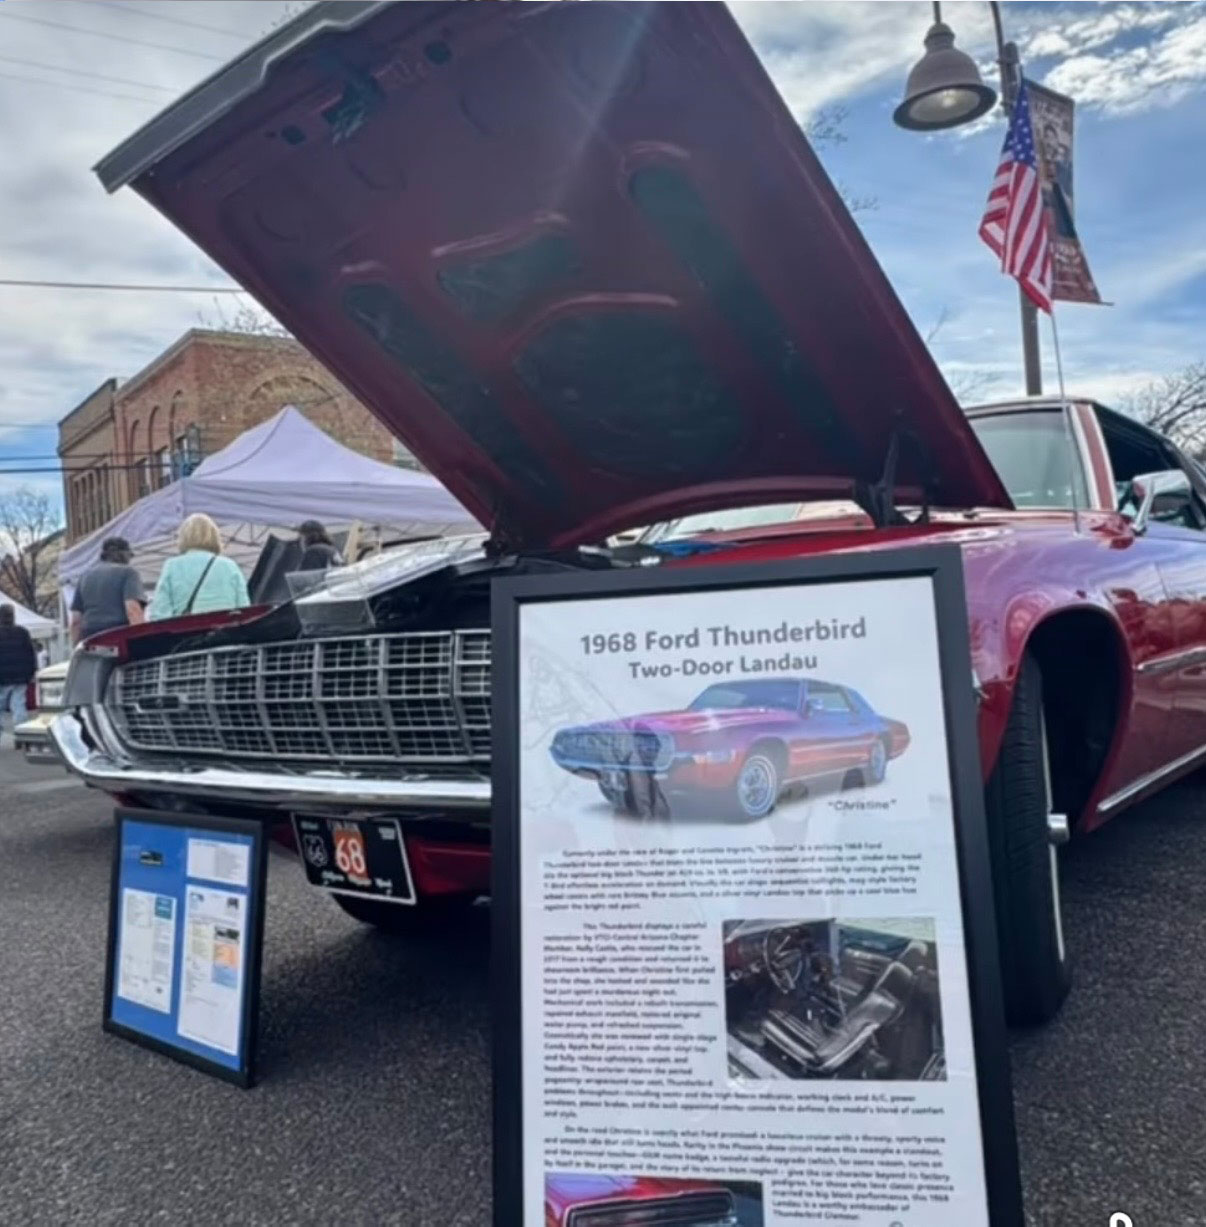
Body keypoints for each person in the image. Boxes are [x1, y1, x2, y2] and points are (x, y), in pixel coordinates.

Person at [148, 514, 250, 621]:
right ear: (215, 536)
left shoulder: (172, 566)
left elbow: (159, 614)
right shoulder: (230, 566)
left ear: (182, 538)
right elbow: (244, 610)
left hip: (187, 633)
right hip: (226, 632)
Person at [70, 536, 146, 645]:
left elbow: (75, 621)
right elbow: (133, 610)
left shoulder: (84, 577)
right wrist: (143, 641)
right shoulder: (128, 573)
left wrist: (76, 647)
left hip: (90, 638)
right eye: (129, 555)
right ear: (121, 554)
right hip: (119, 636)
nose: (130, 559)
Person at [0, 604, 37, 745]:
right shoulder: (23, 632)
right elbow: (30, 654)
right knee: (18, 705)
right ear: (13, 616)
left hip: (1, 676)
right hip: (20, 676)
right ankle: (20, 735)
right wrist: (31, 672)